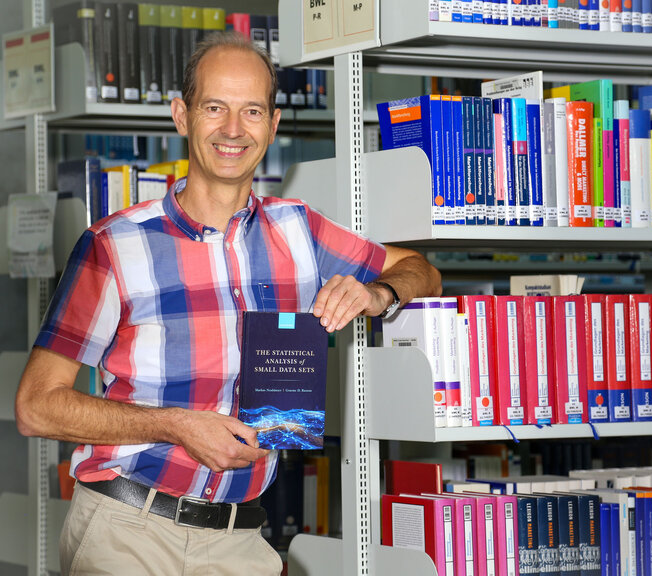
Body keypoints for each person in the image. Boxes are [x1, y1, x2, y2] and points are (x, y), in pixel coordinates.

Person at [15, 32, 441, 575]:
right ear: (182, 116)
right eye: (215, 107)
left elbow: (424, 272)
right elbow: (35, 406)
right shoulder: (113, 245)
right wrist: (175, 426)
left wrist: (376, 293)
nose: (233, 130)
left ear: (274, 124)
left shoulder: (301, 232)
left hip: (241, 539)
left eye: (252, 111)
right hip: (128, 532)